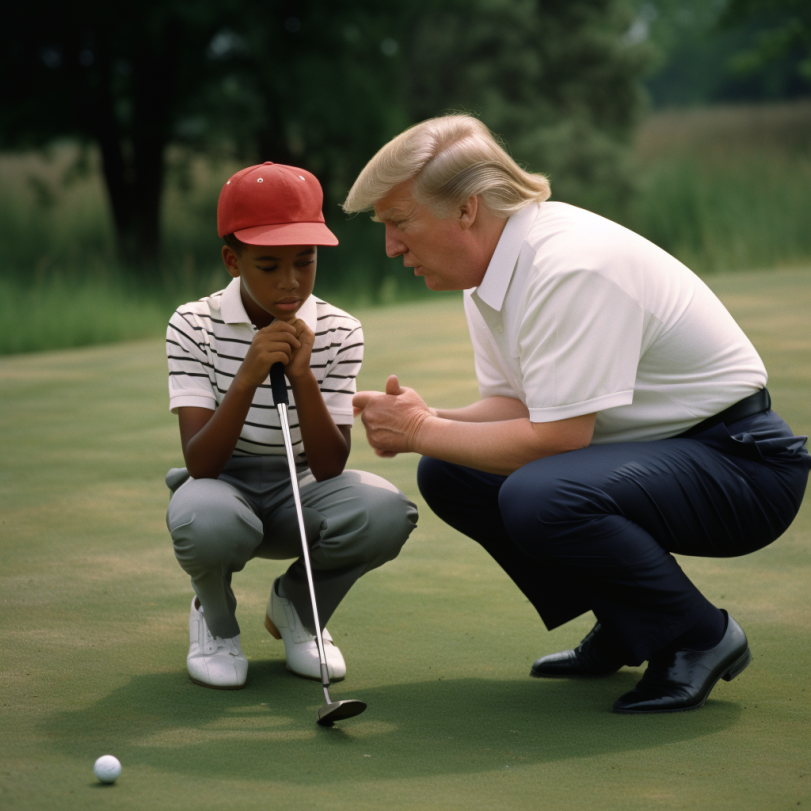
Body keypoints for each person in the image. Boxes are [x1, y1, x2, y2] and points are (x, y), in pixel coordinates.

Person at [345, 115, 810, 713]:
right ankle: (629, 622)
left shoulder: (566, 265)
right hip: (664, 457)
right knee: (449, 469)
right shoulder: (489, 272)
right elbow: (520, 404)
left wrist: (419, 430)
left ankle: (699, 636)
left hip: (743, 466)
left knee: (538, 493)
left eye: (400, 222)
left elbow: (559, 438)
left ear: (466, 209)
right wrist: (431, 419)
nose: (391, 245)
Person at [165, 162, 417, 690]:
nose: (291, 282)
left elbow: (330, 466)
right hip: (221, 486)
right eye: (268, 265)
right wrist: (248, 376)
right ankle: (215, 622)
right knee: (201, 517)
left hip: (300, 488)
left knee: (387, 511)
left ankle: (298, 610)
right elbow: (200, 462)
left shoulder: (341, 330)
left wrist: (301, 377)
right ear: (233, 261)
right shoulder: (192, 324)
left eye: (306, 262)